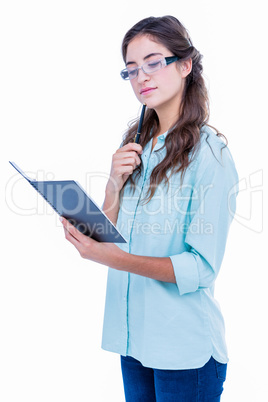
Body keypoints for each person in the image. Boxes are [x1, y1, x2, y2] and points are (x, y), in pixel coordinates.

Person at [60, 15, 239, 402]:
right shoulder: (137, 146)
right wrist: (113, 184)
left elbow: (201, 267)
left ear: (185, 65)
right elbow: (109, 233)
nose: (142, 77)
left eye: (154, 62)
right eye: (131, 70)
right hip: (135, 341)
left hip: (183, 350)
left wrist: (113, 258)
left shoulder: (211, 155)